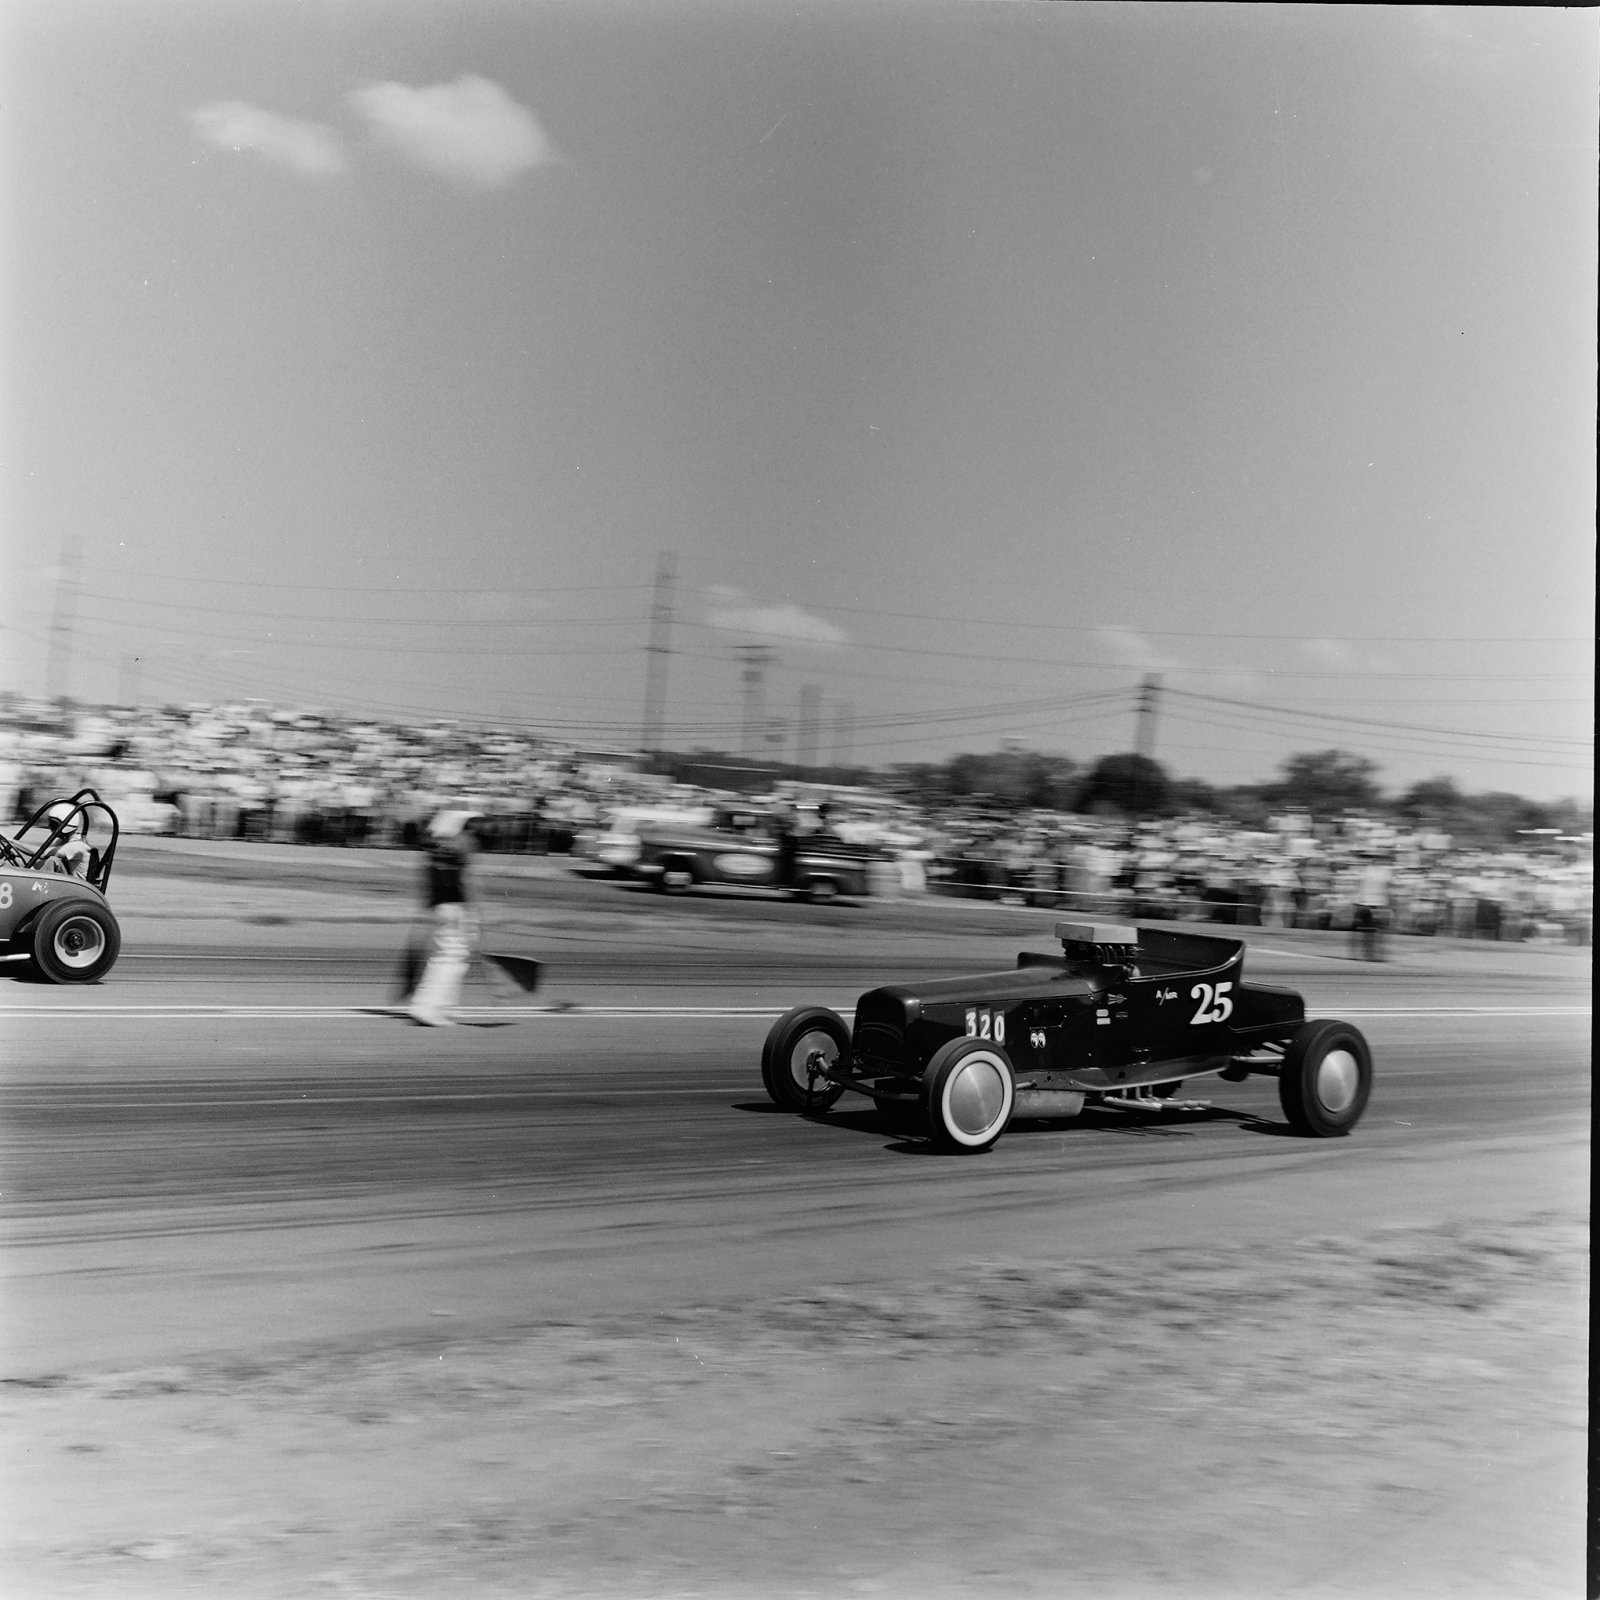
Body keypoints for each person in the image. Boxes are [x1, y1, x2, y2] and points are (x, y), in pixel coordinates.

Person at [407, 809, 481, 1027]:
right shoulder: (463, 846)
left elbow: (426, 881)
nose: (473, 829)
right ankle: (427, 1008)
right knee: (451, 958)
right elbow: (467, 881)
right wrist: (475, 912)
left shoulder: (433, 849)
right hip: (457, 908)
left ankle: (445, 1006)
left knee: (448, 958)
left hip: (439, 907)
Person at [39, 802, 93, 879]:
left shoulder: (77, 846)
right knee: (44, 862)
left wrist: (16, 843)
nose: (49, 827)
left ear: (66, 825)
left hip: (75, 888)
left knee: (53, 861)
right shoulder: (61, 842)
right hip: (69, 883)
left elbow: (43, 853)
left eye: (53, 824)